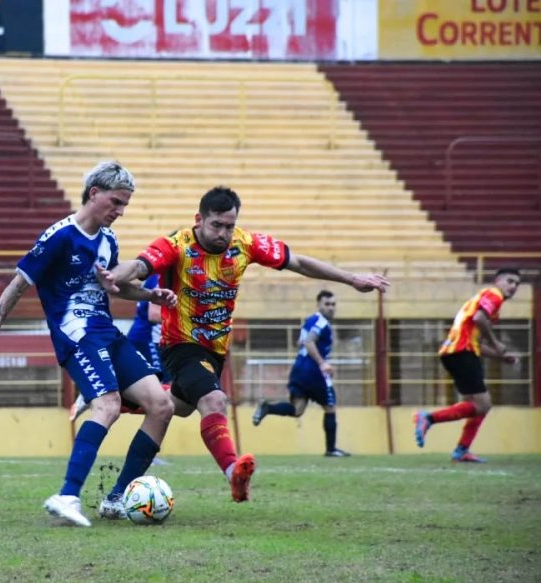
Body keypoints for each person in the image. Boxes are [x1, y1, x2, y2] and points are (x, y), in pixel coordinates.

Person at [98, 186, 389, 503]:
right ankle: (233, 472)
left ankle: (124, 403)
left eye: (229, 226)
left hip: (215, 352)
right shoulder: (177, 245)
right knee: (214, 400)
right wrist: (111, 276)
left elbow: (299, 262)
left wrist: (351, 279)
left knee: (173, 408)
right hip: (180, 344)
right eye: (216, 226)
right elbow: (139, 266)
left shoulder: (245, 244)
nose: (223, 234)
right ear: (199, 219)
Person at [0, 161, 176, 527]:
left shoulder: (108, 240)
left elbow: (115, 287)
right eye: (115, 202)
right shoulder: (60, 236)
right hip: (76, 334)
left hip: (107, 332)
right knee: (108, 405)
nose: (120, 211)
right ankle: (67, 496)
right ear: (94, 193)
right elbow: (18, 284)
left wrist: (151, 295)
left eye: (125, 204)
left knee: (161, 405)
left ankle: (116, 499)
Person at [414, 268, 521, 463]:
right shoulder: (493, 295)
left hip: (456, 352)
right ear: (498, 280)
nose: (513, 287)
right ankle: (428, 418)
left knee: (480, 405)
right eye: (510, 281)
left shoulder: (484, 299)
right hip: (462, 352)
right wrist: (497, 345)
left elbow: (477, 341)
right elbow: (479, 319)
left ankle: (462, 450)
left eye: (516, 284)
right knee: (483, 404)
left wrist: (500, 356)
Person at [251, 290, 351, 457]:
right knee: (330, 406)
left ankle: (267, 408)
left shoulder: (310, 320)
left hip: (299, 368)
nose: (331, 308)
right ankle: (331, 449)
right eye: (327, 304)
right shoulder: (321, 322)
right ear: (318, 304)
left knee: (297, 410)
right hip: (313, 371)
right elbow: (308, 341)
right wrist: (322, 363)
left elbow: (300, 342)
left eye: (333, 304)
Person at [68, 273, 171, 422]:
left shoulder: (163, 277)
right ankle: (95, 396)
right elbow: (154, 314)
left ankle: (111, 400)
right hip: (148, 340)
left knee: (163, 393)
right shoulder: (159, 279)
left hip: (154, 340)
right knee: (159, 392)